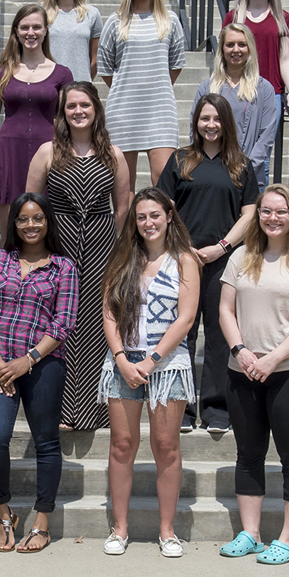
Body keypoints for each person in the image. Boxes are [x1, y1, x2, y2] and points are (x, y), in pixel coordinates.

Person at [218, 184, 289, 565]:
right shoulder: (241, 257)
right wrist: (241, 350)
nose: (272, 218)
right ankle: (250, 533)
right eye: (265, 211)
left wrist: (272, 358)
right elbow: (225, 311)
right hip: (242, 370)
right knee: (248, 455)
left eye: (281, 211)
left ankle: (288, 540)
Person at [0, 193, 79, 553]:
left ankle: (41, 522)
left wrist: (28, 359)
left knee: (47, 441)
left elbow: (63, 322)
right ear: (13, 223)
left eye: (37, 218)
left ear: (48, 221)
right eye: (22, 219)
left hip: (43, 363)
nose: (30, 225)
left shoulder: (63, 267)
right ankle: (4, 515)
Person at [26, 81, 132, 432]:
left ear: (96, 109)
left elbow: (122, 209)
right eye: (71, 106)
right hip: (59, 248)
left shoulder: (113, 155)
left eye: (84, 105)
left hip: (102, 249)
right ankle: (55, 409)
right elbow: (30, 207)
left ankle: (90, 410)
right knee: (56, 325)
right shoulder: (47, 152)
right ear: (63, 112)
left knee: (93, 327)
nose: (78, 111)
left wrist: (110, 248)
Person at [98, 188, 199, 558]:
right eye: (141, 217)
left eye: (155, 215)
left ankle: (167, 531)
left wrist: (152, 360)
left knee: (166, 446)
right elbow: (108, 312)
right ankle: (120, 528)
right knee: (122, 445)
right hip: (123, 361)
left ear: (169, 216)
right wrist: (122, 357)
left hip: (167, 364)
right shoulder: (123, 256)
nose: (148, 223)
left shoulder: (185, 259)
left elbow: (186, 318)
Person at [159, 92, 259, 434]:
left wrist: (221, 247)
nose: (211, 125)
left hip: (224, 262)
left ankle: (216, 409)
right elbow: (164, 208)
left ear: (226, 122)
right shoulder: (181, 159)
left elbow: (250, 214)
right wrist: (184, 246)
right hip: (182, 259)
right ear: (196, 122)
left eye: (217, 119)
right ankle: (182, 408)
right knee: (182, 331)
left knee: (219, 334)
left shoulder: (240, 165)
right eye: (205, 118)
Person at [0, 4, 74, 233]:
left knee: (48, 225)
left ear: (45, 31)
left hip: (49, 151)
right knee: (11, 228)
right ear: (16, 31)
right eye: (24, 27)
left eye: (36, 27)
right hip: (9, 151)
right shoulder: (0, 72)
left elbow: (66, 119)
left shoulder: (62, 73)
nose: (30, 33)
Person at [98, 0, 186, 190]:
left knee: (163, 180)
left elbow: (176, 64)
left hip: (160, 111)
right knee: (124, 186)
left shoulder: (170, 21)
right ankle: (124, 229)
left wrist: (155, 86)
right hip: (123, 111)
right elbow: (105, 67)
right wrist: (128, 87)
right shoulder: (116, 21)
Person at [190, 23, 279, 188]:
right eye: (230, 44)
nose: (236, 50)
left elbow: (266, 135)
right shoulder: (207, 87)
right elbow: (195, 129)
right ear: (222, 49)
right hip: (212, 177)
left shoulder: (264, 89)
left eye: (242, 44)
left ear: (250, 48)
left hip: (249, 176)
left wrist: (245, 168)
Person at [223, 0, 289, 117]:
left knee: (265, 143)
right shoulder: (234, 18)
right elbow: (224, 58)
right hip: (238, 91)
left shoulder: (282, 18)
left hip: (271, 94)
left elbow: (284, 59)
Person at [39, 0, 103, 83]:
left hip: (80, 88)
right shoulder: (41, 13)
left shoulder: (92, 14)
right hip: (49, 88)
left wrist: (82, 81)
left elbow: (95, 60)